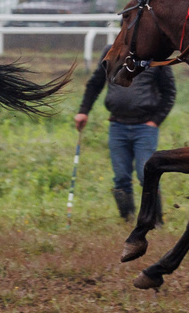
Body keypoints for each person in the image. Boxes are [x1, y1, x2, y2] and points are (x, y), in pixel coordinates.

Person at [72, 56, 176, 221]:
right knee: (121, 177)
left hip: (145, 128)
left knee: (146, 174)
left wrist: (155, 121)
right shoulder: (111, 54)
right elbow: (95, 84)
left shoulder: (155, 55)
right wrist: (83, 111)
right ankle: (127, 218)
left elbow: (169, 92)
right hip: (117, 125)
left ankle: (154, 220)